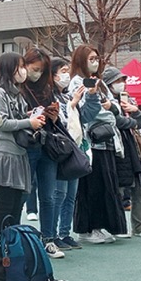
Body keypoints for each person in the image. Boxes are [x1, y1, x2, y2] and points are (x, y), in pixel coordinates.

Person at [0, 52, 49, 254]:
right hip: (6, 152)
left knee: (17, 202)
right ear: (9, 68)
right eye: (20, 66)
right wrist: (28, 122)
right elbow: (1, 123)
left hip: (20, 151)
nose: (23, 71)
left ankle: (12, 243)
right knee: (6, 201)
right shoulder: (0, 92)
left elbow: (19, 117)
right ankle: (0, 244)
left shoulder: (18, 93)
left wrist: (31, 116)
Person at [68, 48, 127, 244]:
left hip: (107, 139)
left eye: (96, 58)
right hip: (90, 140)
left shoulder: (100, 82)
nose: (95, 62)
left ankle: (103, 225)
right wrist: (107, 108)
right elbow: (85, 110)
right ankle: (87, 228)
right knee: (91, 186)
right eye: (91, 59)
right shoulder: (77, 82)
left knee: (106, 185)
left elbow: (115, 107)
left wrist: (111, 108)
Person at [21, 48, 61, 240]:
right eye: (35, 69)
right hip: (27, 144)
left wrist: (53, 115)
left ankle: (48, 238)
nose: (37, 74)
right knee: (21, 193)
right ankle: (14, 239)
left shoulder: (47, 88)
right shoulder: (18, 88)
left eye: (41, 70)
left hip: (48, 144)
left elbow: (55, 119)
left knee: (49, 196)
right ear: (25, 65)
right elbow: (12, 117)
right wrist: (30, 117)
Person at [108, 69, 141, 239]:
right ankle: (119, 226)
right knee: (118, 189)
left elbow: (139, 123)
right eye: (117, 81)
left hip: (133, 149)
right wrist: (132, 121)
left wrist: (135, 111)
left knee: (140, 188)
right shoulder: (106, 101)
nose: (121, 84)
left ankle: (139, 225)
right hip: (115, 149)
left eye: (122, 80)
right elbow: (117, 122)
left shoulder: (128, 100)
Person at [50, 57, 84, 250]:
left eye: (67, 71)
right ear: (52, 74)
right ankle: (52, 234)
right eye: (62, 71)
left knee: (71, 195)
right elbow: (60, 122)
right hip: (59, 149)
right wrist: (72, 105)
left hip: (73, 148)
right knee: (59, 194)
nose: (66, 75)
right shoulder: (49, 95)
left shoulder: (67, 96)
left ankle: (65, 232)